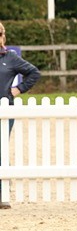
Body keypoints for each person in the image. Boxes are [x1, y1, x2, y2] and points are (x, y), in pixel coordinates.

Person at [0, 21, 42, 209]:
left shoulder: (10, 57)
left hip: (4, 110)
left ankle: (3, 194)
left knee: (0, 150)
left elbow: (33, 73)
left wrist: (18, 89)